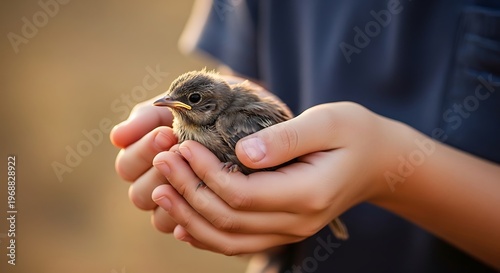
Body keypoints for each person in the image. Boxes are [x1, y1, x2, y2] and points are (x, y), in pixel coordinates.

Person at [110, 0, 500, 272]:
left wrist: (386, 170)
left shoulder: (227, 123)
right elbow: (248, 85)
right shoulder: (196, 120)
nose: (172, 105)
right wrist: (238, 218)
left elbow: (264, 137)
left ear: (210, 105)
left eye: (190, 100)